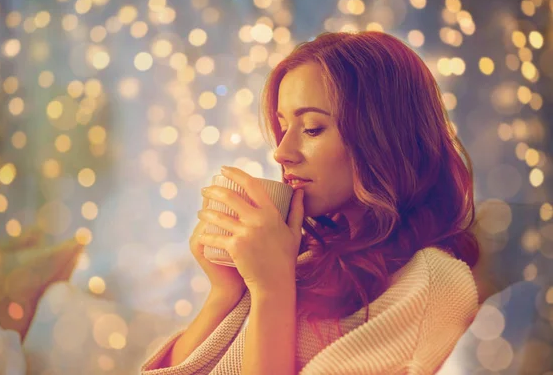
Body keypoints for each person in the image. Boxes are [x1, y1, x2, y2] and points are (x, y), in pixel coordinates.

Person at [141, 31, 480, 374]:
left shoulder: (435, 284)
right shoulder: (305, 259)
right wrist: (226, 291)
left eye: (313, 128)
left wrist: (272, 291)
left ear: (385, 137)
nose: (282, 152)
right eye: (284, 126)